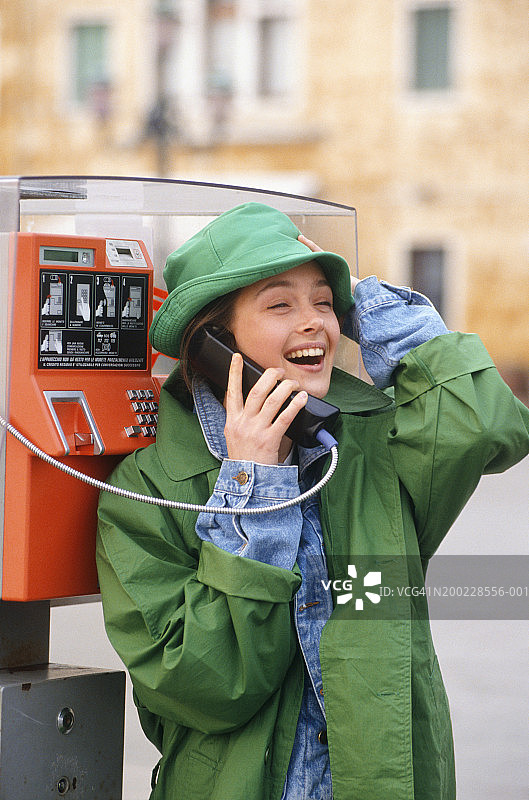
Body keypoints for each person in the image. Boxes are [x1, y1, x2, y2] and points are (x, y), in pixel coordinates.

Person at [96, 202, 529, 800]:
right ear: (214, 346)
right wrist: (255, 491)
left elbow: (487, 425)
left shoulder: (371, 444)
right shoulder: (146, 489)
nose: (315, 324)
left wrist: (362, 301)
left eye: (323, 303)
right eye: (280, 304)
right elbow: (205, 683)